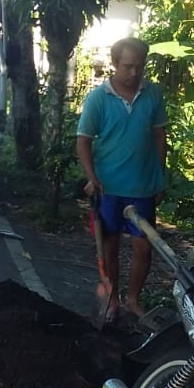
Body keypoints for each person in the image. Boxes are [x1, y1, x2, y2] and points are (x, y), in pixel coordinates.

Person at [76, 37, 167, 321]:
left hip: (141, 187)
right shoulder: (98, 99)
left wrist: (160, 176)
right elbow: (83, 141)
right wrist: (91, 177)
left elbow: (159, 137)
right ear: (114, 65)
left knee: (143, 247)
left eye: (139, 66)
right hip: (109, 188)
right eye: (127, 66)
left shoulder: (152, 95)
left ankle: (133, 299)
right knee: (110, 246)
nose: (133, 73)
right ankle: (112, 298)